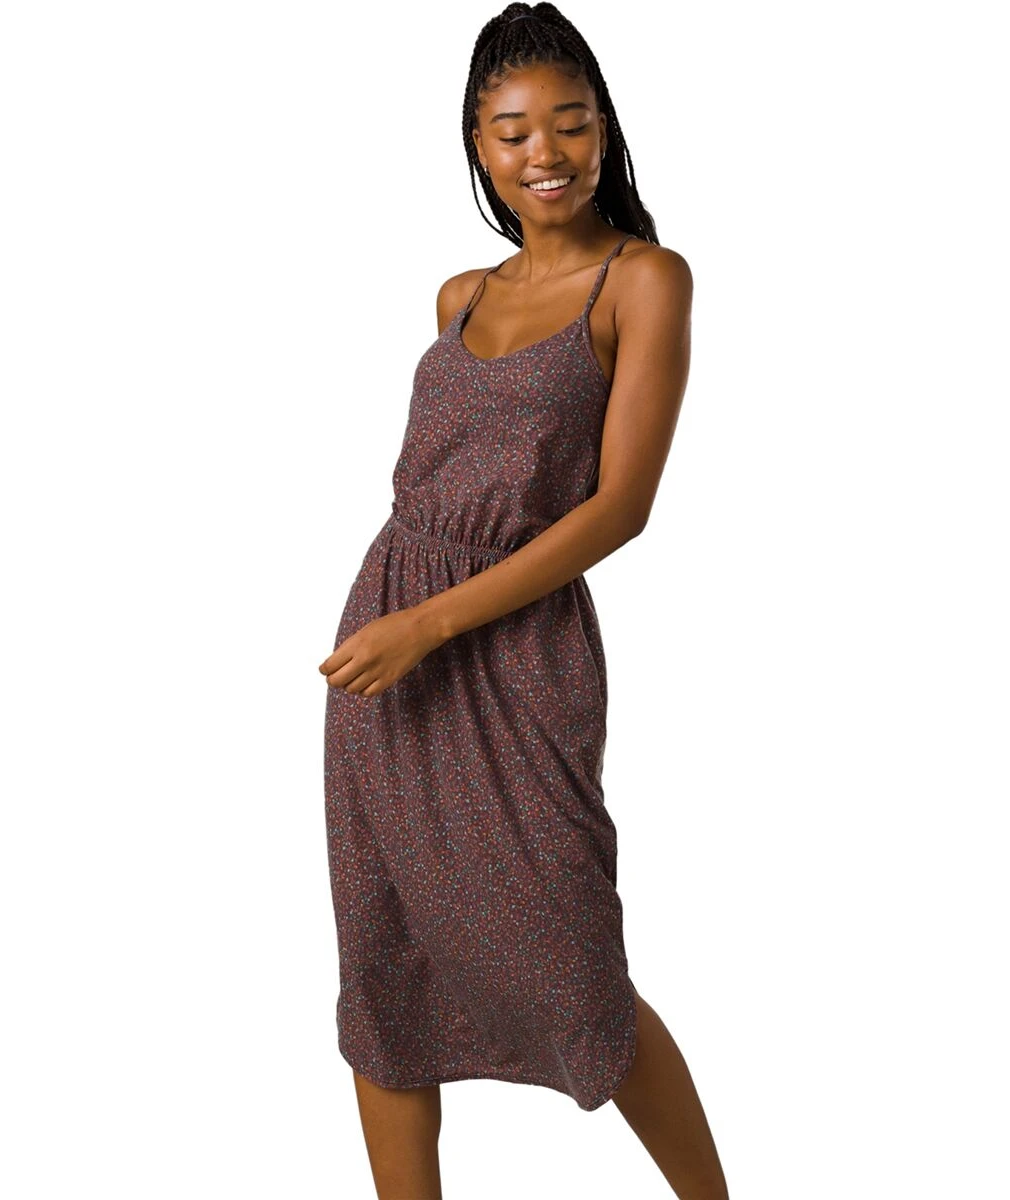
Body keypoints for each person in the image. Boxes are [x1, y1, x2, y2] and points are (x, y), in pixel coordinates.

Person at [320, 5, 728, 1196]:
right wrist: (400, 623)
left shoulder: (643, 281)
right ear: (477, 145)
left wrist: (432, 624)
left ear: (605, 131)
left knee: (574, 962)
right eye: (511, 132)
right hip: (387, 655)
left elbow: (620, 507)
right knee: (387, 959)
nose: (543, 152)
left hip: (510, 654)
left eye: (570, 123)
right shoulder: (457, 294)